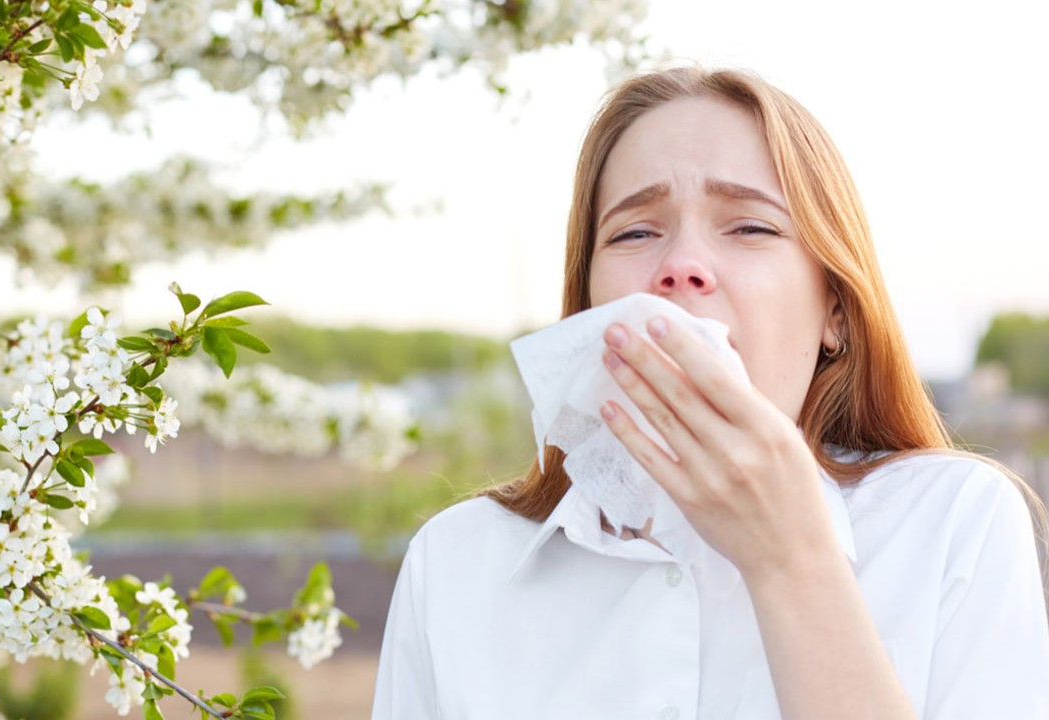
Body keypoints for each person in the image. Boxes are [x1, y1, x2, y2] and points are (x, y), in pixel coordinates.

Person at [369, 64, 1049, 719]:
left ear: (835, 312)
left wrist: (790, 561)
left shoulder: (958, 524)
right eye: (635, 231)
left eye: (750, 227)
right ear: (586, 310)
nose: (681, 267)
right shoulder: (456, 562)